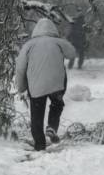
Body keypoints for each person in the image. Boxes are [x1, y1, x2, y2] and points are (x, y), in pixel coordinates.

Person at [16, 18, 76, 151]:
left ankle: (39, 145)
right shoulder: (58, 42)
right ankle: (51, 126)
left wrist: (21, 87)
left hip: (36, 86)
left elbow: (20, 68)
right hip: (57, 85)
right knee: (57, 104)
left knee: (36, 114)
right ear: (53, 29)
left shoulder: (29, 45)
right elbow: (72, 54)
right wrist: (63, 41)